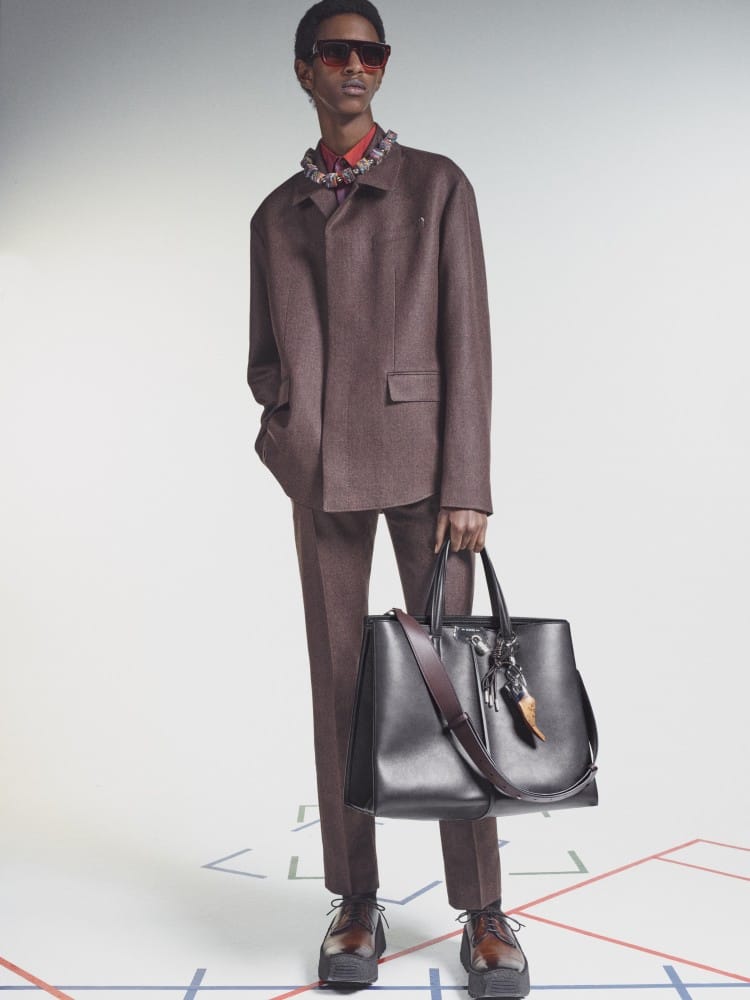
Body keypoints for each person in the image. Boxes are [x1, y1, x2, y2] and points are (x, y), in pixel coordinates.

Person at [247, 1, 529, 994]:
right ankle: (355, 898)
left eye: (370, 52)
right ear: (305, 69)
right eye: (336, 52)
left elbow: (469, 340)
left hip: (427, 471)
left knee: (454, 691)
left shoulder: (438, 186)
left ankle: (483, 911)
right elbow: (263, 358)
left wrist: (469, 480)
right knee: (340, 692)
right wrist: (289, 434)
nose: (355, 67)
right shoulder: (275, 215)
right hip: (321, 474)